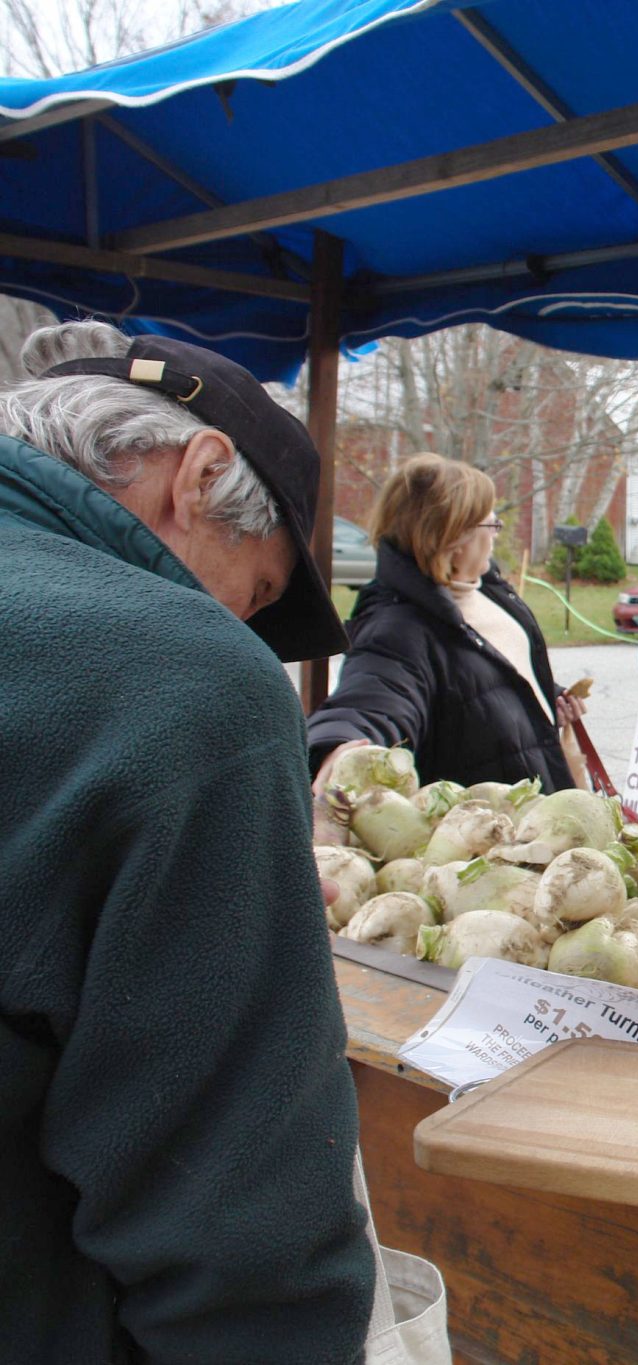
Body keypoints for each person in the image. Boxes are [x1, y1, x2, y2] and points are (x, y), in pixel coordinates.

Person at [0, 322, 374, 1360]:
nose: (240, 628)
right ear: (202, 475)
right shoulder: (188, 682)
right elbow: (240, 1225)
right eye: (257, 593)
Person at [308, 453, 583, 792]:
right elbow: (372, 700)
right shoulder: (398, 630)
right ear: (455, 539)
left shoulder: (488, 588)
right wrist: (340, 747)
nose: (496, 535)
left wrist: (537, 696)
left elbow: (484, 672)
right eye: (490, 525)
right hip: (485, 822)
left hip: (537, 807)